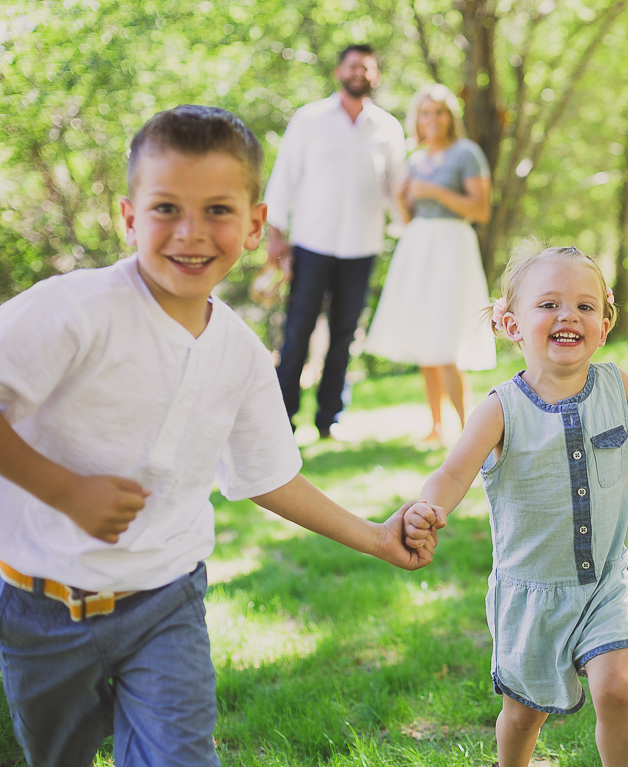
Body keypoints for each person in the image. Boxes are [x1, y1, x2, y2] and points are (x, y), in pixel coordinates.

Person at [0, 106, 439, 767]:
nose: (191, 233)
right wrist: (67, 492)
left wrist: (377, 536)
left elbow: (269, 476)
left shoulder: (238, 350)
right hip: (39, 606)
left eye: (218, 211)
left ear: (256, 224)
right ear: (128, 217)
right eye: (167, 208)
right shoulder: (75, 312)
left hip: (164, 600)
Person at [400, 245, 628, 767]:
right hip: (531, 594)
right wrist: (427, 509)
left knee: (619, 690)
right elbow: (453, 472)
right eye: (548, 304)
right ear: (510, 324)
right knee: (524, 715)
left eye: (585, 307)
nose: (568, 315)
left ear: (604, 325)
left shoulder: (617, 387)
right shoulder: (501, 408)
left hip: (603, 585)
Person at [263, 43, 407, 438]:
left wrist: (415, 232)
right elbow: (284, 177)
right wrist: (276, 236)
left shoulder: (388, 128)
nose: (359, 72)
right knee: (298, 332)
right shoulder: (309, 119)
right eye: (352, 65)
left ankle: (330, 420)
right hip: (311, 244)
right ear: (338, 72)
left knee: (344, 336)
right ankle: (282, 419)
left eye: (366, 67)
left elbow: (398, 191)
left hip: (362, 247)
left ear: (375, 76)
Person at [363, 84, 496, 449]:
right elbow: (406, 217)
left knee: (446, 335)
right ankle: (436, 426)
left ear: (449, 117)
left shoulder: (466, 154)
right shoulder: (415, 158)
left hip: (451, 247)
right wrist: (403, 196)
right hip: (418, 247)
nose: (432, 119)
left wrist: (434, 191)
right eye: (425, 113)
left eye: (438, 112)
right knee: (426, 336)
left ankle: (468, 426)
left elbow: (480, 209)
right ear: (417, 119)